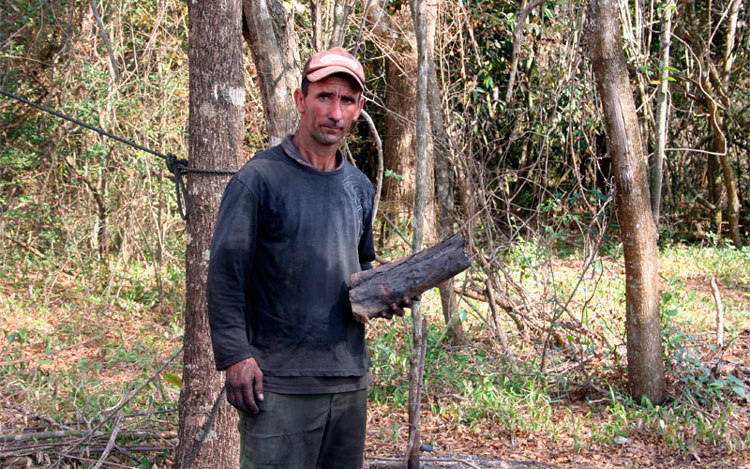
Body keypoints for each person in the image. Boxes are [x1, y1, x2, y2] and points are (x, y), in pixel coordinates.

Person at [207, 47, 410, 468]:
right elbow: (225, 277)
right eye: (324, 97)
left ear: (358, 110)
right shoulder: (259, 179)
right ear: (301, 101)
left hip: (348, 380)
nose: (335, 111)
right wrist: (236, 356)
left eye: (347, 101)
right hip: (279, 384)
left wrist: (385, 294)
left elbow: (359, 272)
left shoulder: (358, 187)